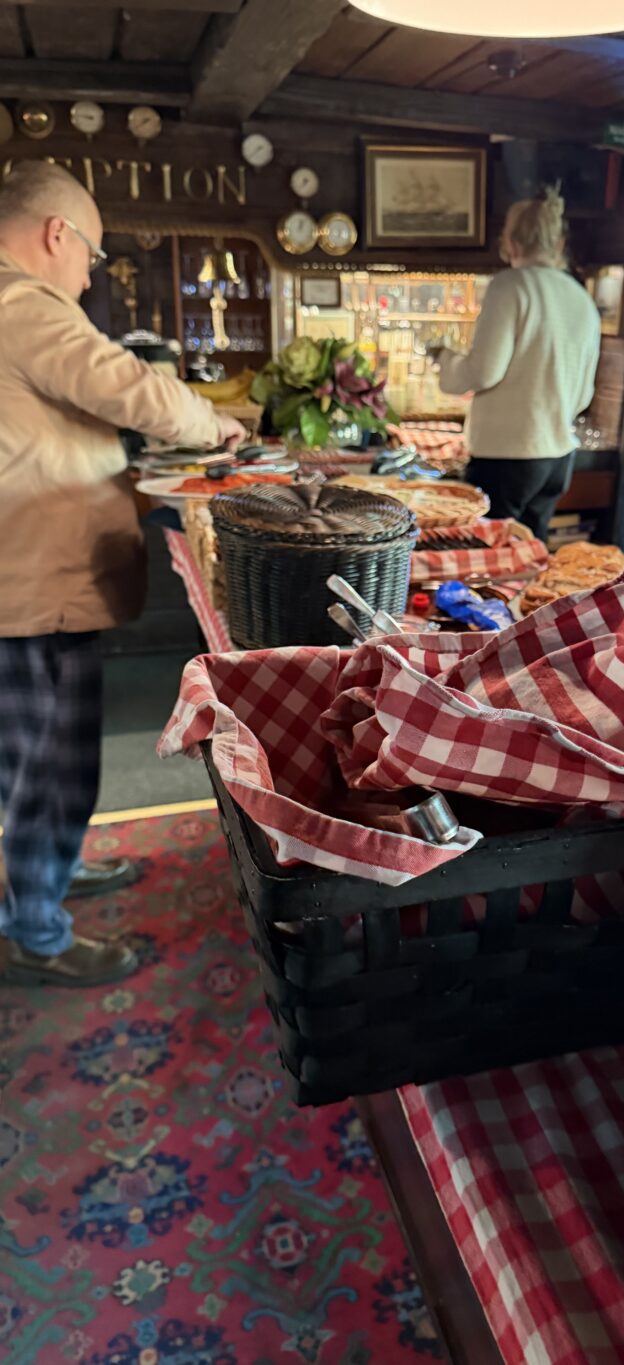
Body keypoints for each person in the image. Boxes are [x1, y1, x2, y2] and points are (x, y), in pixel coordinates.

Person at [0, 161, 246, 988]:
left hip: (38, 583)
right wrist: (211, 423)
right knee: (40, 765)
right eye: (92, 254)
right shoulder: (20, 300)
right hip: (26, 590)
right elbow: (121, 382)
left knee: (56, 757)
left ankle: (52, 874)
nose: (87, 275)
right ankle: (34, 932)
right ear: (56, 234)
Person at [431, 188, 601, 542]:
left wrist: (444, 358)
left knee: (489, 555)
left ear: (510, 242)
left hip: (508, 456)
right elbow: (584, 395)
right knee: (529, 554)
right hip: (557, 457)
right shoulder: (580, 297)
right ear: (558, 243)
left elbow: (483, 371)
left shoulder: (510, 286)